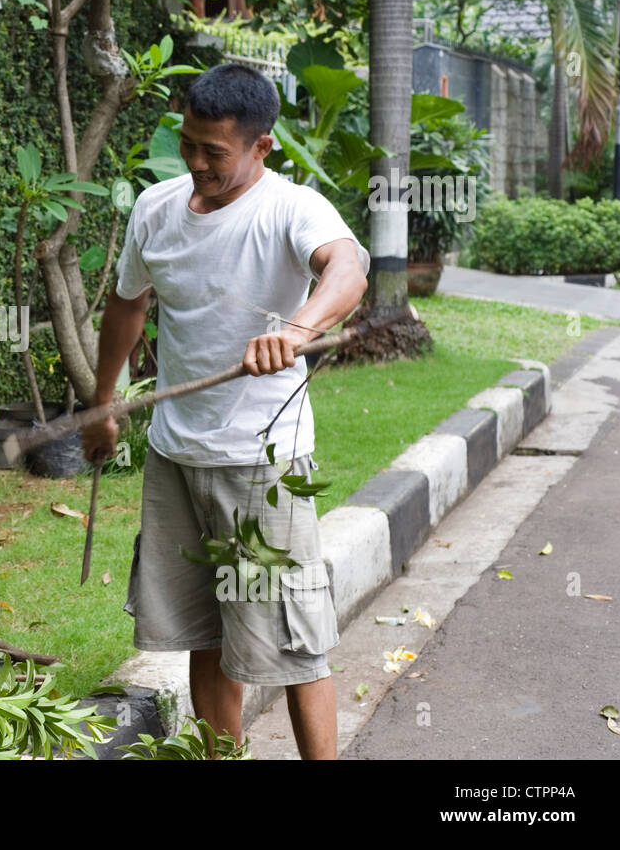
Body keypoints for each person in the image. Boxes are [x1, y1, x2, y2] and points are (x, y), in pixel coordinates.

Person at [81, 62, 370, 760]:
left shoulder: (290, 208)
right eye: (189, 144)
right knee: (202, 634)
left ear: (261, 146)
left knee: (293, 642)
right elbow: (127, 302)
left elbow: (349, 266)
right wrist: (102, 402)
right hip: (177, 456)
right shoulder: (157, 207)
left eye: (215, 151)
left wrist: (297, 330)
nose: (198, 162)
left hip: (262, 462)